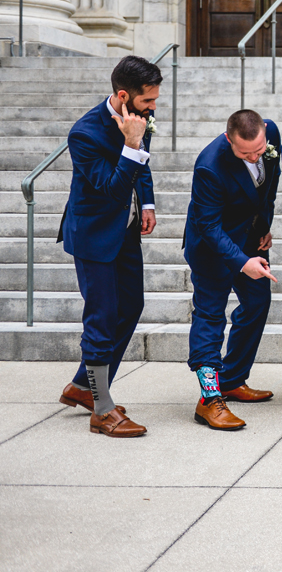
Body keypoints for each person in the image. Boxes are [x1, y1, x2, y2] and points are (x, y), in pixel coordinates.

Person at [56, 56, 160, 437]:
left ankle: (84, 387)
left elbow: (141, 165)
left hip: (126, 231)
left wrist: (146, 203)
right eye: (147, 101)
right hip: (94, 235)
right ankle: (102, 409)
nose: (152, 108)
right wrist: (131, 143)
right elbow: (113, 189)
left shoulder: (138, 119)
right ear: (123, 95)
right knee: (101, 317)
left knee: (131, 306)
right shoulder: (84, 133)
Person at [184, 109, 282, 430]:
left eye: (258, 150)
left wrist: (264, 225)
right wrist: (242, 261)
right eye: (244, 153)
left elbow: (268, 184)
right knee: (210, 317)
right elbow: (209, 228)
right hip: (212, 248)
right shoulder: (209, 166)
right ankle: (209, 400)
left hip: (249, 235)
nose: (254, 157)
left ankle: (232, 379)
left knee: (257, 303)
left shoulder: (271, 137)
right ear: (229, 139)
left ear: (265, 132)